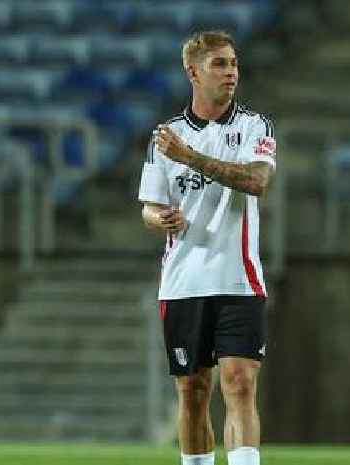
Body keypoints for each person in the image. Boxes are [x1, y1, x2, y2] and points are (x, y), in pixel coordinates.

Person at [137, 30, 276, 465]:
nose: (231, 72)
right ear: (192, 72)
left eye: (233, 63)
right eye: (220, 64)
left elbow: (256, 181)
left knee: (239, 382)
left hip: (239, 276)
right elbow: (150, 206)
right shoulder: (166, 137)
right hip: (184, 280)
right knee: (193, 392)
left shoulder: (254, 126)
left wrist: (191, 158)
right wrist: (161, 219)